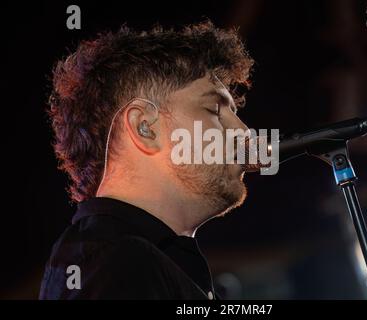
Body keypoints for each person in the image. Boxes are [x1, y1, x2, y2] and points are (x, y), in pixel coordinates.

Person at [39, 21, 254, 299]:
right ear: (144, 127)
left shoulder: (117, 259)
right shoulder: (120, 263)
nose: (244, 131)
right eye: (214, 109)